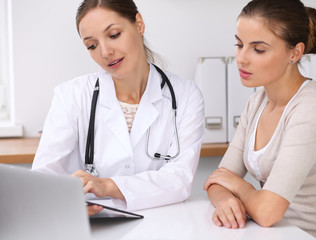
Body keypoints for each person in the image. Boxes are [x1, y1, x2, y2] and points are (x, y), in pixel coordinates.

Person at [203, 0, 316, 239]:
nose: (242, 58)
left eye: (258, 49)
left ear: (295, 53)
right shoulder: (256, 102)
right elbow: (218, 180)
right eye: (239, 44)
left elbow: (267, 212)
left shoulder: (312, 110)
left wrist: (238, 186)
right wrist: (225, 199)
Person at [32, 0, 204, 215]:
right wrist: (65, 205)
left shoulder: (185, 95)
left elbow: (180, 179)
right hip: (93, 226)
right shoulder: (71, 96)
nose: (105, 52)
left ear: (139, 24)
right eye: (92, 45)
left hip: (164, 223)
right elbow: (41, 180)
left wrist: (106, 186)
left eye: (114, 35)